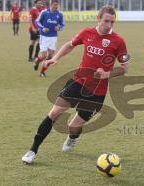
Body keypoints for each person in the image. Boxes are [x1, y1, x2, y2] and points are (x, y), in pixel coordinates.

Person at [22, 5, 130, 164]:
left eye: (112, 22)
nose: (109, 25)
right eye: (106, 21)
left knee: (73, 126)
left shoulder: (118, 41)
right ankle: (32, 150)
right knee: (53, 114)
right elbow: (70, 44)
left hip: (97, 93)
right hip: (78, 82)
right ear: (98, 18)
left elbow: (124, 68)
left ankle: (72, 138)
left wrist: (106, 74)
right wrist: (56, 58)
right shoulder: (87, 33)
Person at [34, 0, 64, 77]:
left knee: (50, 56)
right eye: (55, 5)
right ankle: (37, 60)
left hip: (53, 37)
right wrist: (43, 28)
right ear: (51, 5)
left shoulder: (59, 14)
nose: (56, 6)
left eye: (57, 5)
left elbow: (62, 24)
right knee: (43, 56)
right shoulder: (44, 12)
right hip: (44, 37)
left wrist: (59, 28)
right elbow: (37, 22)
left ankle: (42, 72)